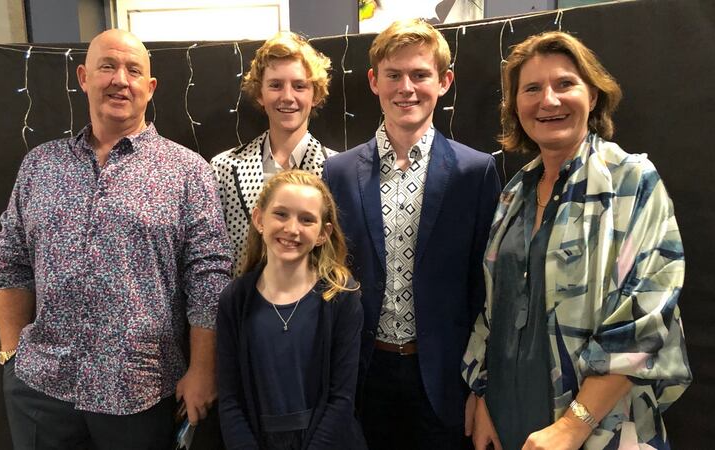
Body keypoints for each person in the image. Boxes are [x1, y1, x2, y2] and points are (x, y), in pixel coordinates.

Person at [0, 29, 232, 449]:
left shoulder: (187, 172)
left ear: (149, 88)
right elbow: (10, 263)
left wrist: (204, 371)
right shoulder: (40, 165)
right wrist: (12, 356)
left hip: (141, 390)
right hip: (41, 387)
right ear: (83, 77)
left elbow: (208, 279)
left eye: (134, 70)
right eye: (107, 67)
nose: (120, 79)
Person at [461, 31, 692, 450]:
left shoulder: (630, 181)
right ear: (516, 106)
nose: (548, 100)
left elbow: (644, 317)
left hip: (595, 426)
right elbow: (496, 307)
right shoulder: (514, 194)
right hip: (509, 416)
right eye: (531, 89)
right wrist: (481, 396)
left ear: (593, 96)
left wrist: (573, 426)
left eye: (565, 84)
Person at [323, 19, 501, 450]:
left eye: (420, 75)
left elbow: (491, 287)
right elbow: (328, 273)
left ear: (443, 82)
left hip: (444, 377)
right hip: (363, 375)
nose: (407, 88)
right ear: (373, 81)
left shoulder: (475, 172)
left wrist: (483, 388)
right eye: (394, 75)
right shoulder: (338, 171)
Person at [217, 170, 365, 449]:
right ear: (259, 219)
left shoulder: (341, 297)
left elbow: (341, 398)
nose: (292, 229)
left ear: (323, 233)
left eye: (307, 219)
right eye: (281, 214)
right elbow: (230, 400)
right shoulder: (234, 300)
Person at [212, 32, 336, 274]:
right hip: (243, 307)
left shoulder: (338, 168)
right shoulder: (223, 169)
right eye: (275, 85)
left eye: (299, 86)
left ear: (316, 95)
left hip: (315, 308)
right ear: (260, 94)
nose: (287, 97)